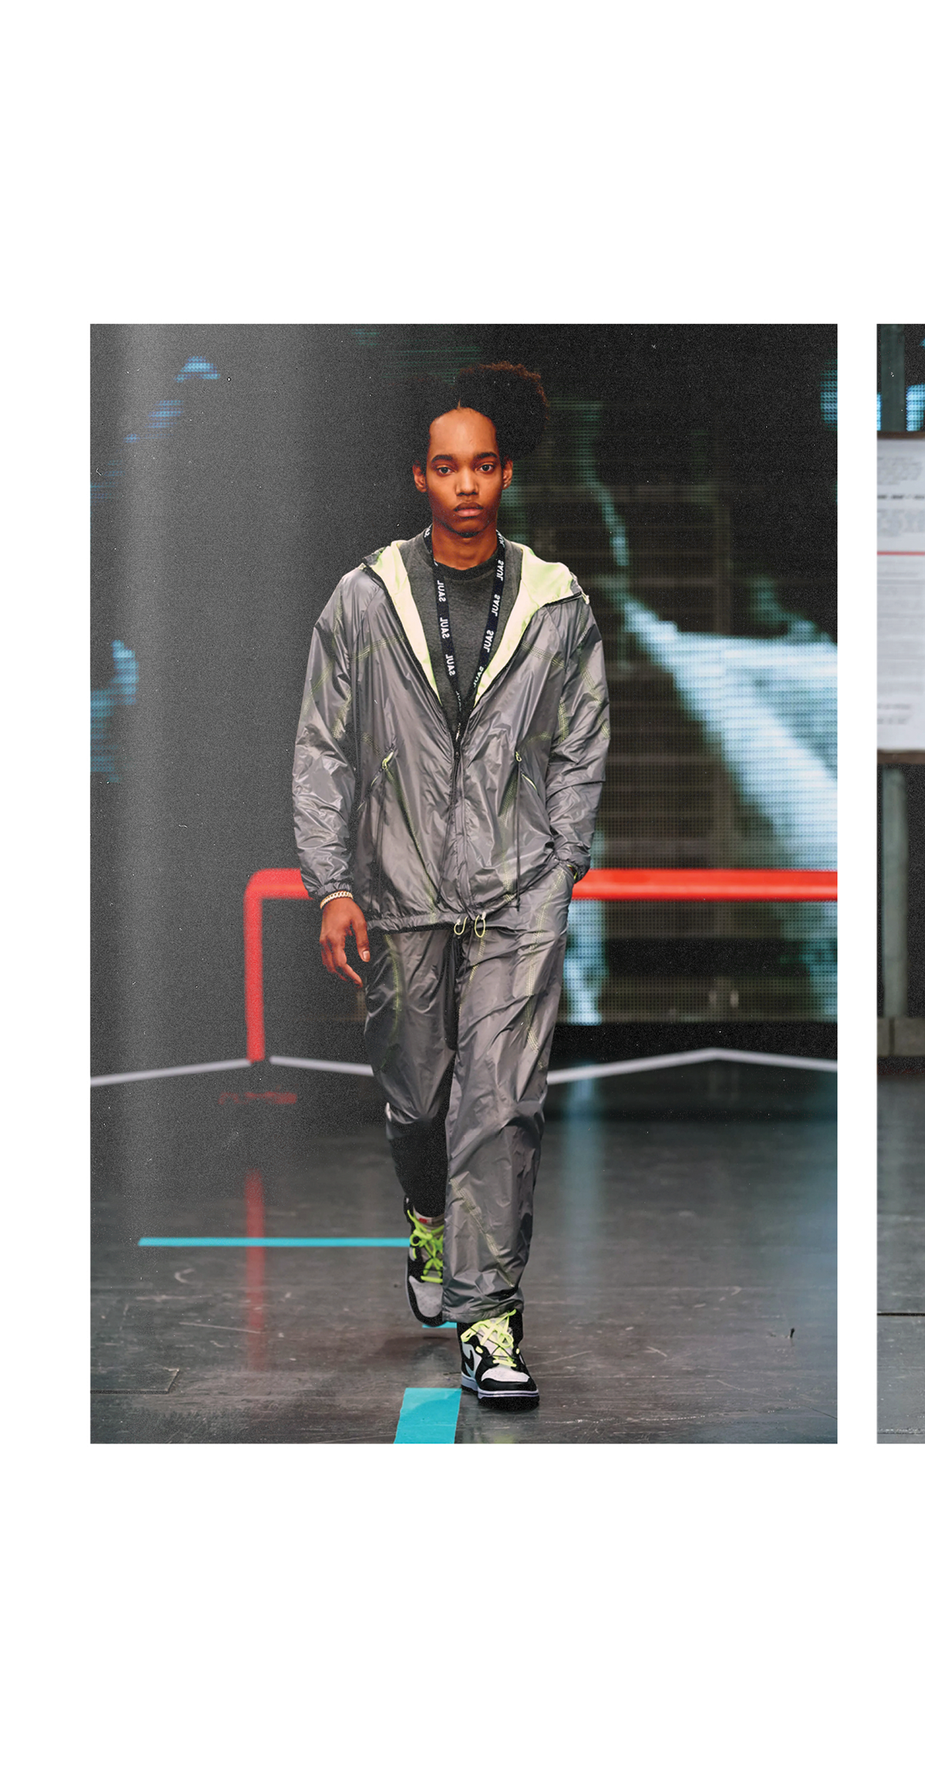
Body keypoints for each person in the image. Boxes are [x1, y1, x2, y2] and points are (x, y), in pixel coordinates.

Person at [292, 362, 610, 1409]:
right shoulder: (363, 600)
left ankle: (489, 1319)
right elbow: (323, 747)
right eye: (446, 466)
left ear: (505, 473)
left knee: (499, 1104)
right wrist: (332, 884)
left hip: (518, 893)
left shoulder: (557, 604)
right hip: (398, 893)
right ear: (420, 477)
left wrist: (561, 864)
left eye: (482, 465)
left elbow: (581, 744)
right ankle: (426, 1216)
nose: (465, 484)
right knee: (417, 1096)